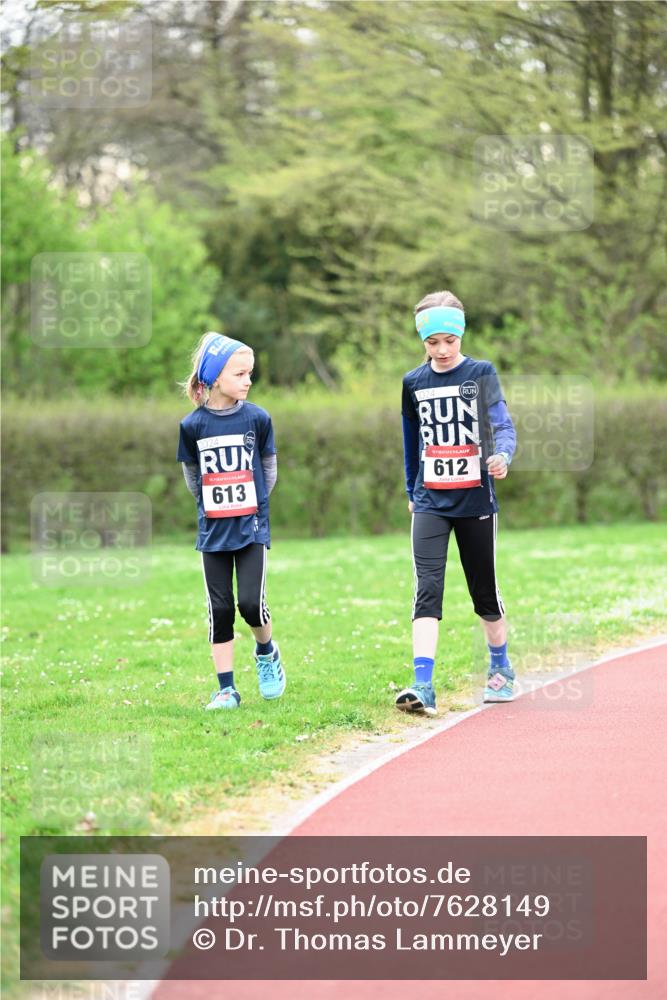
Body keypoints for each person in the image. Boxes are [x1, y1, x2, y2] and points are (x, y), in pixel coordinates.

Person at [395, 290, 517, 716]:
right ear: (422, 341)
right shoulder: (413, 382)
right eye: (432, 342)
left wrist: (502, 456)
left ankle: (501, 668)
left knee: (483, 590)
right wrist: (413, 492)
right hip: (430, 500)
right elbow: (411, 444)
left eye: (449, 340)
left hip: (475, 500)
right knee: (426, 589)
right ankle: (422, 685)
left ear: (461, 335)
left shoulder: (482, 373)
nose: (442, 350)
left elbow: (503, 425)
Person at [177, 331, 285, 710]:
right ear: (215, 378)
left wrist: (250, 505)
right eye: (240, 374)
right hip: (213, 530)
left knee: (251, 604)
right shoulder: (192, 426)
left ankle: (266, 652)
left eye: (250, 373)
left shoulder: (257, 418)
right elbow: (194, 478)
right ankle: (226, 689)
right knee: (219, 609)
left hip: (251, 526)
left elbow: (268, 471)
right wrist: (216, 506)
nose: (249, 381)